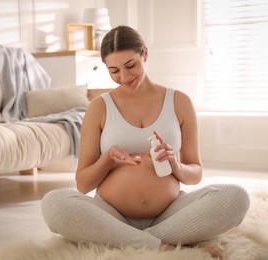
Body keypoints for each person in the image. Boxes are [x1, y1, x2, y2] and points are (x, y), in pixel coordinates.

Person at [41, 25, 250, 259]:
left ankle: (129, 240)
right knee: (53, 203)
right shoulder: (99, 107)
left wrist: (175, 164)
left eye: (131, 65)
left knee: (235, 197)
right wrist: (108, 159)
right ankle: (164, 244)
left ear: (145, 55)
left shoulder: (179, 102)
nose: (124, 77)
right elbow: (83, 184)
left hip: (170, 213)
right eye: (114, 71)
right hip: (110, 214)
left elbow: (196, 173)